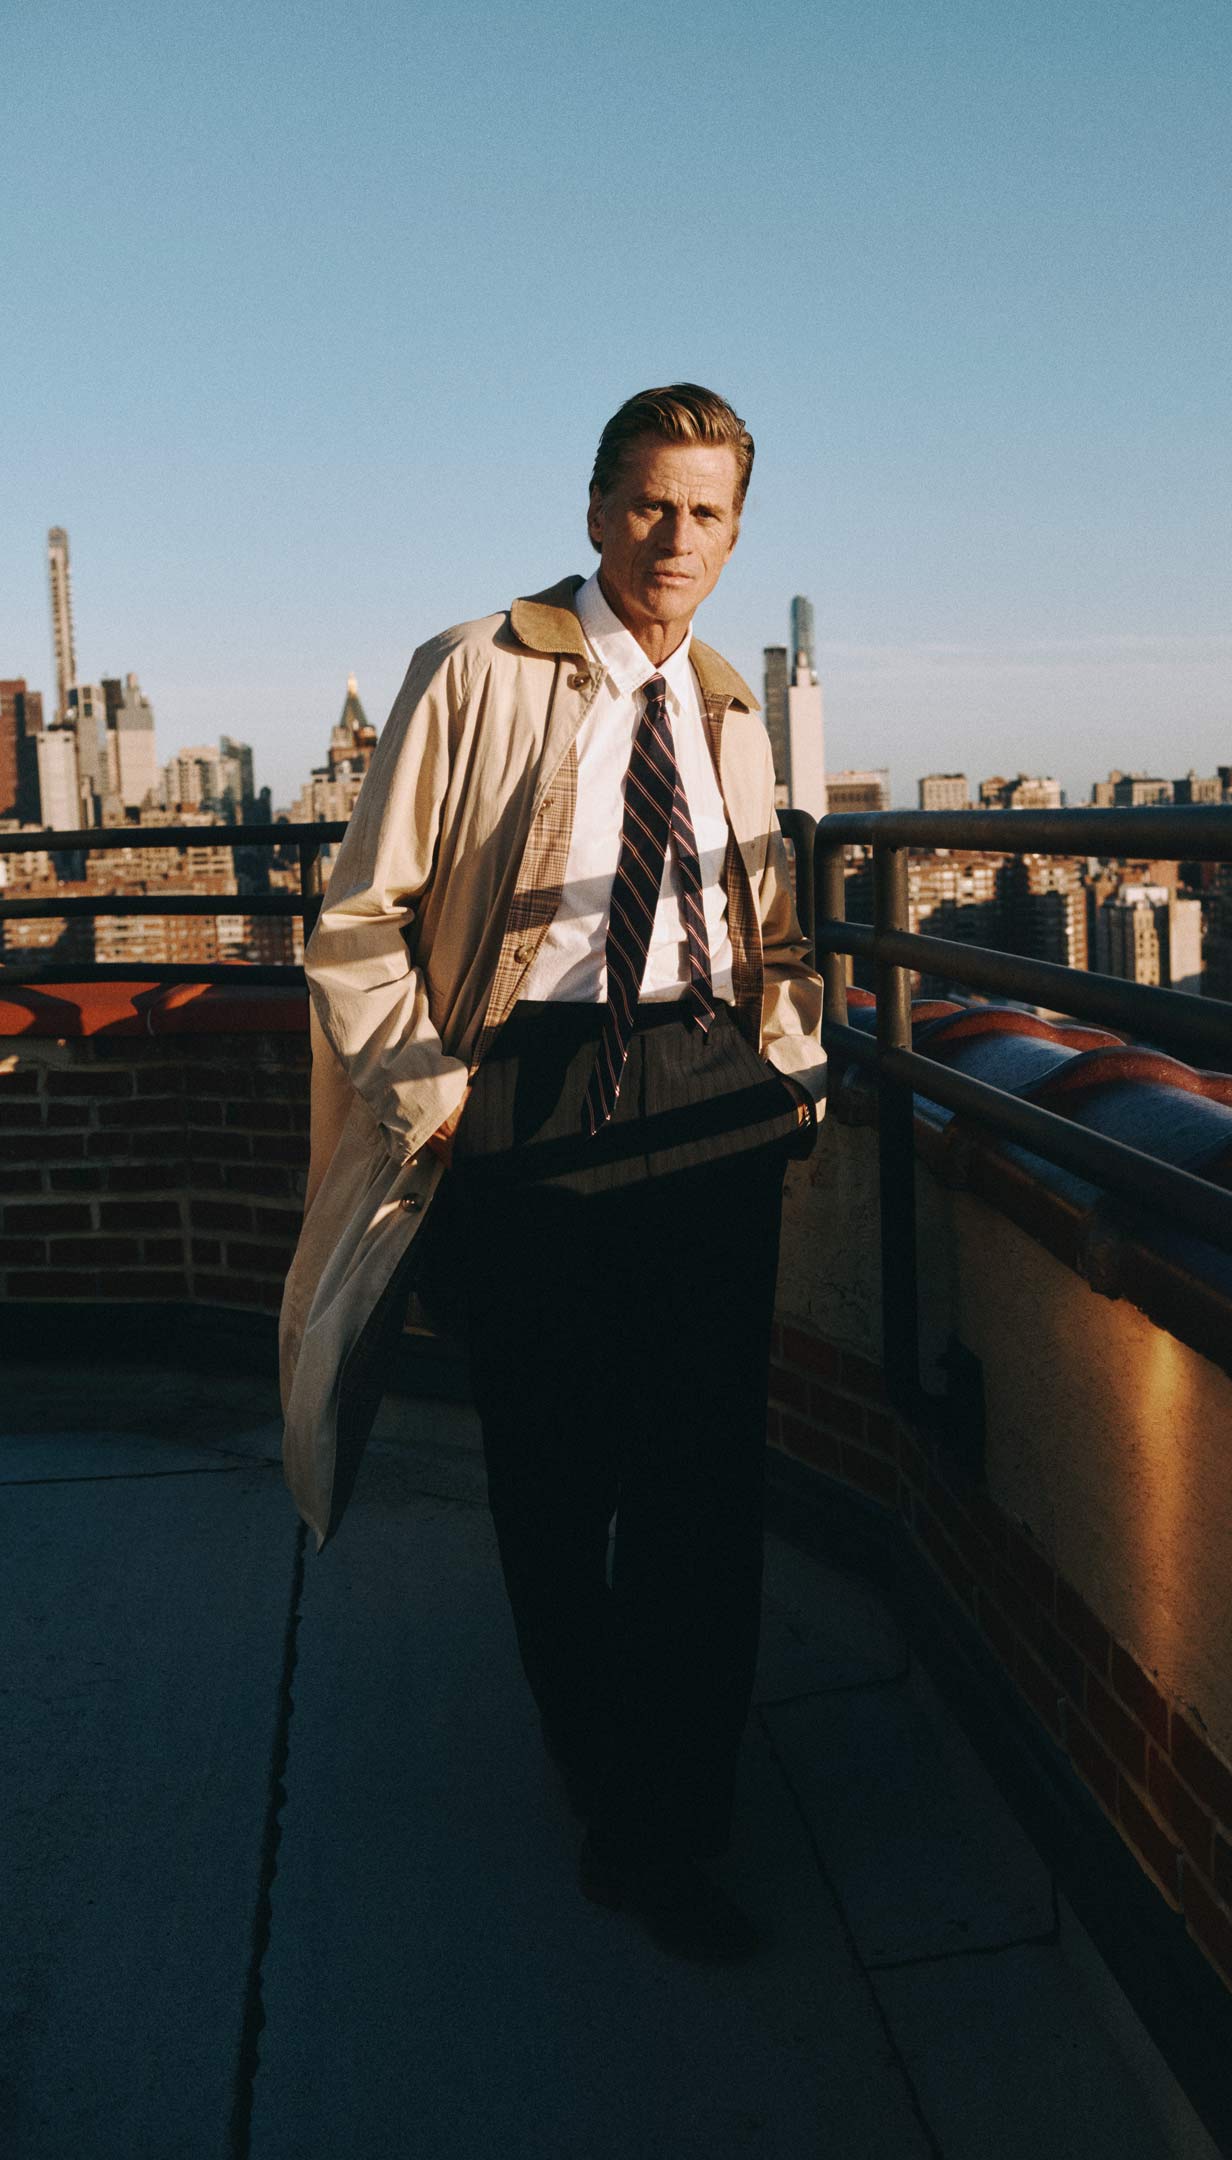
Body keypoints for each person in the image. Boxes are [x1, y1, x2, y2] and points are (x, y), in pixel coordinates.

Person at [279, 384, 825, 1962]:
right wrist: (432, 1088)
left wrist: (786, 1073)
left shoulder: (727, 703)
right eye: (650, 505)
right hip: (527, 1095)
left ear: (734, 535)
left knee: (704, 1486)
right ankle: (598, 1754)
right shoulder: (476, 671)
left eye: (707, 513)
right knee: (552, 1469)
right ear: (595, 513)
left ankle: (665, 1829)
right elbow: (358, 923)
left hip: (710, 1100)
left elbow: (772, 928)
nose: (676, 539)